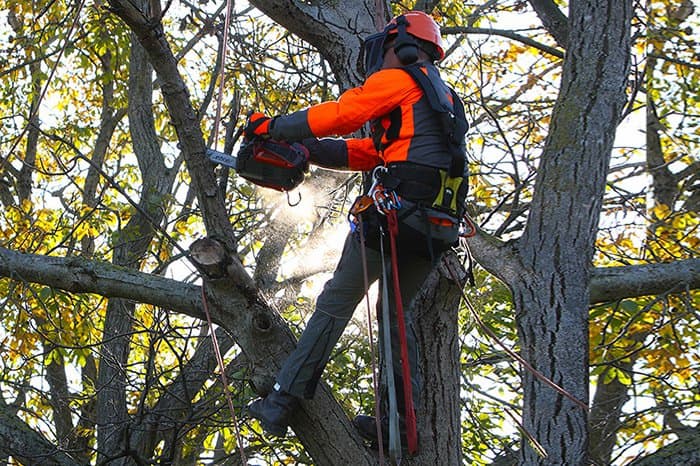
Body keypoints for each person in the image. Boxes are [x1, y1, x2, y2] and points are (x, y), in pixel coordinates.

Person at [245, 10, 469, 450]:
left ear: (398, 45)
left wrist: (270, 127)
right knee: (393, 319)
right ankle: (400, 427)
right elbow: (370, 152)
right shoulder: (443, 99)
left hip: (394, 215)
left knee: (336, 301)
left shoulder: (401, 77)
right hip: (435, 227)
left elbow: (344, 115)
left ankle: (282, 399)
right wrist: (307, 149)